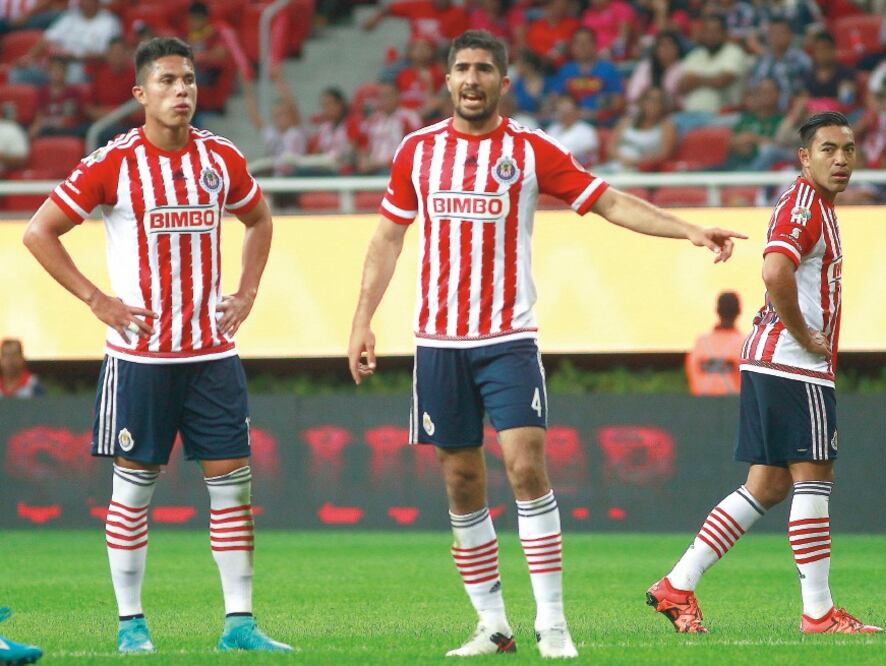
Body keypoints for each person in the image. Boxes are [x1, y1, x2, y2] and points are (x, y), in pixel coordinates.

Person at [347, 29, 746, 659]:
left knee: (527, 467)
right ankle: (493, 626)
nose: (471, 79)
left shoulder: (530, 152)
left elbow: (608, 200)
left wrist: (688, 230)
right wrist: (362, 319)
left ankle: (554, 624)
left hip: (508, 337)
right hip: (438, 343)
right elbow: (387, 239)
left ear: (504, 83)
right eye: (461, 69)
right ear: (447, 81)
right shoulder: (417, 152)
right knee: (459, 480)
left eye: (484, 69)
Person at [21, 37, 291, 655]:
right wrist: (99, 301)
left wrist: (246, 293)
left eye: (190, 81)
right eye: (168, 81)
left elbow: (259, 219)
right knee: (134, 489)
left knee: (233, 486)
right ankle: (131, 624)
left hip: (211, 355)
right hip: (140, 358)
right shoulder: (112, 162)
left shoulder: (220, 158)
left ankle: (240, 625)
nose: (183, 92)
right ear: (141, 94)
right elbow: (40, 233)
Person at [645, 111, 884, 636]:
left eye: (848, 148)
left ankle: (677, 586)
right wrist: (804, 337)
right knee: (813, 477)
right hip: (793, 363)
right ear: (804, 157)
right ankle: (819, 614)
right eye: (828, 149)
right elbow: (774, 271)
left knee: (767, 485)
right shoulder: (805, 206)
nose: (841, 158)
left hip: (768, 361)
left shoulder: (813, 203)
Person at [685, 292, 742, 396]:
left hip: (701, 408)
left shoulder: (700, 344)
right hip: (734, 409)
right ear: (739, 311)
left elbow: (691, 376)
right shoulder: (747, 345)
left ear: (717, 311)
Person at [545, 94, 600, 167]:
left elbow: (588, 157)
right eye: (560, 105)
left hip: (578, 170)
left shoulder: (587, 131)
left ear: (576, 110)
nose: (561, 108)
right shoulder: (552, 129)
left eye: (566, 105)